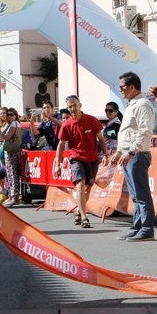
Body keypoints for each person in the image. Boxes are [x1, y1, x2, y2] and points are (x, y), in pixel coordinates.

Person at [112, 72, 156, 242]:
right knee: (136, 195)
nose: (120, 90)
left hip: (137, 155)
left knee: (142, 194)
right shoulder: (131, 104)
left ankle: (147, 229)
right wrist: (119, 151)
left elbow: (145, 131)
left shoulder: (142, 104)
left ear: (132, 87)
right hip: (129, 154)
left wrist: (131, 151)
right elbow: (129, 132)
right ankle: (137, 227)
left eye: (122, 87)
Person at [54, 94, 106, 229]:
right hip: (76, 158)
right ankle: (84, 217)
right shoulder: (66, 125)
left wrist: (105, 153)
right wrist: (58, 164)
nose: (72, 108)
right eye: (70, 106)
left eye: (74, 105)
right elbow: (61, 145)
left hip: (93, 159)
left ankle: (78, 210)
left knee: (87, 189)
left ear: (80, 105)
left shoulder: (92, 120)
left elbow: (101, 138)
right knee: (79, 186)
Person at [0, 107, 24, 207]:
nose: (9, 116)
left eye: (11, 114)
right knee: (9, 174)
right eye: (8, 114)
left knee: (13, 175)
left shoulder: (14, 123)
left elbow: (6, 137)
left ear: (15, 116)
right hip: (8, 152)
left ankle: (15, 197)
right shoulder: (11, 124)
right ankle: (11, 196)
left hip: (13, 152)